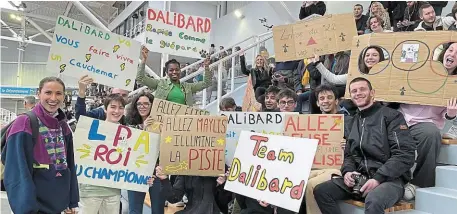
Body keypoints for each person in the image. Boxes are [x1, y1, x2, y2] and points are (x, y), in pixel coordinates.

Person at [313, 77, 416, 214]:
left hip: (389, 179)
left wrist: (378, 178)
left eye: (362, 89)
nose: (358, 93)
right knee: (321, 191)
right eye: (354, 91)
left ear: (372, 92)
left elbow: (404, 154)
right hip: (360, 178)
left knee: (374, 200)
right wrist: (348, 172)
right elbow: (349, 154)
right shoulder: (352, 121)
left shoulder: (392, 116)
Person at [2, 77, 79, 213]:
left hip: (59, 206)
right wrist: (26, 209)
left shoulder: (64, 126)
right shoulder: (24, 123)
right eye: (48, 92)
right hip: (35, 207)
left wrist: (72, 201)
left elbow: (70, 166)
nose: (53, 98)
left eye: (58, 93)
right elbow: (17, 171)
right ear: (39, 94)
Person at [399, 43, 457, 200]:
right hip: (401, 116)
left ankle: (419, 182)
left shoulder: (455, 85)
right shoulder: (425, 69)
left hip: (425, 124)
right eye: (451, 50)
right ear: (444, 53)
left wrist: (451, 114)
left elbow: (448, 117)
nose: (453, 54)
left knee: (431, 134)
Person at [75, 75, 126, 214]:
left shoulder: (127, 133)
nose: (117, 111)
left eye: (120, 108)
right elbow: (80, 118)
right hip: (90, 190)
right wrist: (81, 93)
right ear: (105, 109)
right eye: (113, 107)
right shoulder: (94, 127)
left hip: (113, 190)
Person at [295, 84, 348, 214]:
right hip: (315, 167)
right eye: (322, 98)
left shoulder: (348, 121)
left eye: (330, 97)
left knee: (311, 185)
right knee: (294, 180)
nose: (326, 101)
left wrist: (348, 146)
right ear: (318, 103)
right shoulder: (311, 123)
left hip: (337, 168)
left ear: (336, 101)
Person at [124, 92, 165, 214]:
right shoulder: (130, 124)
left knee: (158, 210)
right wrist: (144, 128)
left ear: (152, 105)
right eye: (139, 104)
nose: (142, 106)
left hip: (157, 171)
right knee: (134, 210)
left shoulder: (161, 124)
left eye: (146, 103)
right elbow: (129, 146)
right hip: (136, 171)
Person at [136, 47, 212, 106]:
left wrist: (206, 67)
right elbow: (140, 78)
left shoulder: (188, 87)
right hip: (163, 122)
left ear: (180, 71)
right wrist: (144, 59)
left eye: (177, 69)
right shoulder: (160, 83)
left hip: (182, 123)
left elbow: (206, 83)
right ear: (167, 72)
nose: (174, 72)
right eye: (171, 70)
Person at [152, 166, 233, 214]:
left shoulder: (222, 168)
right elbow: (173, 198)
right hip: (191, 211)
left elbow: (224, 202)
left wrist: (223, 185)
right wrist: (164, 180)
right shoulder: (186, 169)